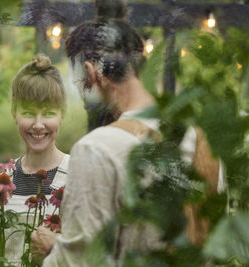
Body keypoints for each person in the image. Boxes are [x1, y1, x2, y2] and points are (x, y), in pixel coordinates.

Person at [31, 18, 223, 266]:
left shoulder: (97, 148)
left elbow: (77, 263)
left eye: (79, 85)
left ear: (91, 72)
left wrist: (50, 250)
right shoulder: (202, 140)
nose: (80, 98)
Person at [0, 55, 70, 267]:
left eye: (49, 113)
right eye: (29, 113)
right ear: (14, 113)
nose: (38, 125)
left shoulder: (77, 175)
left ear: (62, 115)